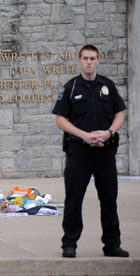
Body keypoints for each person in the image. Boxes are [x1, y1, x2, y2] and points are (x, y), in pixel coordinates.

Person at [52, 44, 129, 258]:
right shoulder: (70, 87)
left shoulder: (108, 86)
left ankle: (112, 245)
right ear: (79, 60)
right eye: (85, 58)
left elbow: (120, 114)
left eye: (92, 58)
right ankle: (70, 244)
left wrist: (109, 133)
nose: (89, 62)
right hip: (79, 152)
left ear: (98, 61)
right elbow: (60, 120)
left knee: (109, 199)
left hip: (105, 152)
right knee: (74, 199)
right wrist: (84, 135)